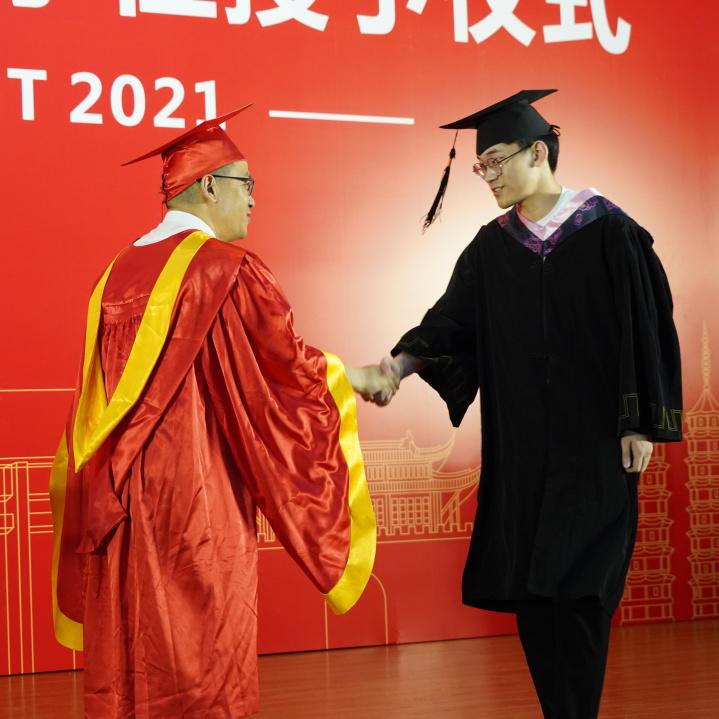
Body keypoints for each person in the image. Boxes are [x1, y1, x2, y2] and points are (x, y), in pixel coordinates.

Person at [49, 105, 396, 718]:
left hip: (115, 499)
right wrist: (356, 377)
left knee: (130, 652)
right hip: (193, 499)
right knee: (202, 655)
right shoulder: (225, 271)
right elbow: (280, 369)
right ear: (209, 186)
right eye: (246, 184)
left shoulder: (114, 274)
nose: (254, 199)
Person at [379, 90, 682, 718]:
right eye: (481, 166)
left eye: (495, 162)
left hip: (594, 442)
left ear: (537, 153)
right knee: (532, 589)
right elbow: (450, 322)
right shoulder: (493, 247)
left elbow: (647, 325)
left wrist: (639, 424)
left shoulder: (610, 231)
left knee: (583, 588)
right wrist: (398, 367)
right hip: (521, 448)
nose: (487, 176)